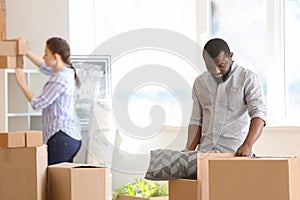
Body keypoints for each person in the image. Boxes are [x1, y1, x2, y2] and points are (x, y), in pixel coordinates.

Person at [183, 38, 267, 157]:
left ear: (231, 56)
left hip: (236, 152)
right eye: (210, 67)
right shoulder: (200, 83)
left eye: (221, 65)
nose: (216, 71)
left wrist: (248, 145)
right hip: (206, 153)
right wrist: (188, 150)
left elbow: (259, 114)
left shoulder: (247, 78)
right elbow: (196, 120)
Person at [15, 37, 82, 165]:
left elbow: (38, 103)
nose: (43, 56)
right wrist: (26, 52)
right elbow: (44, 66)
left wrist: (23, 85)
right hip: (69, 139)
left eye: (46, 53)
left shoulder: (60, 79)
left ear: (56, 57)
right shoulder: (65, 71)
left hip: (62, 139)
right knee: (62, 180)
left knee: (53, 180)